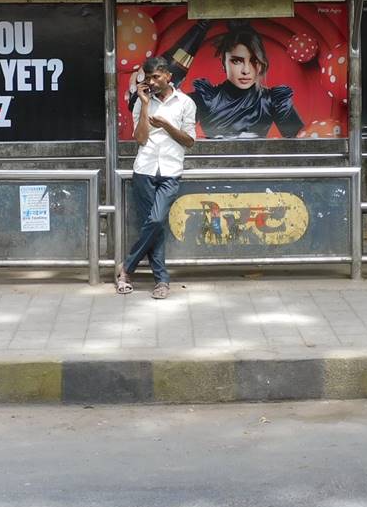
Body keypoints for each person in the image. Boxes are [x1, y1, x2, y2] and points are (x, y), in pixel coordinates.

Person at [117, 55, 196, 299]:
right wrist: (143, 104)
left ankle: (126, 268)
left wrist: (166, 126)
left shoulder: (185, 103)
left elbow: (189, 141)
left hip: (170, 171)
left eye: (156, 77)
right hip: (145, 170)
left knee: (156, 220)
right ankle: (161, 281)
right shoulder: (142, 102)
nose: (151, 82)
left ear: (168, 76)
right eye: (148, 78)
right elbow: (140, 139)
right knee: (155, 227)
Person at [187, 22, 304, 139]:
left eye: (254, 61)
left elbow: (302, 143)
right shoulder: (205, 98)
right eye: (237, 61)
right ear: (223, 62)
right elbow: (178, 137)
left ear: (261, 64)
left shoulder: (273, 100)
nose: (246, 70)